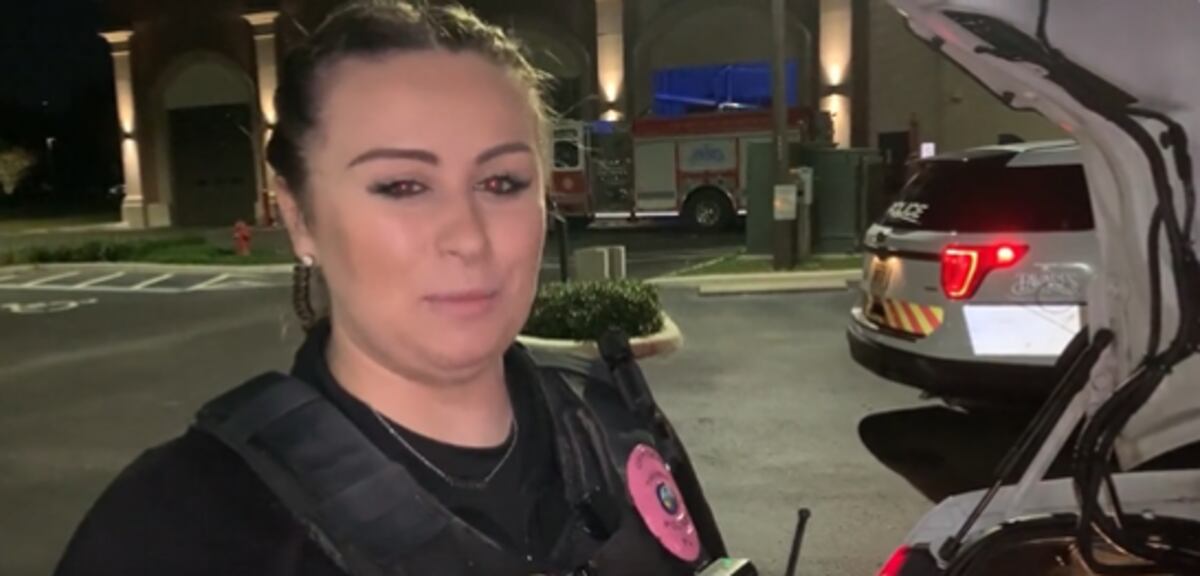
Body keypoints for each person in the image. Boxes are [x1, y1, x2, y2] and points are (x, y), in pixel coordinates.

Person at [54, 2, 732, 575]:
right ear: (299, 217)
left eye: (501, 182)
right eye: (403, 186)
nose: (467, 236)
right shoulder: (178, 528)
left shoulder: (616, 431)